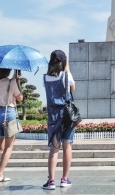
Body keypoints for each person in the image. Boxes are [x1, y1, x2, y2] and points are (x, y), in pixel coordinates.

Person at [42, 50, 76, 190]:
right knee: (67, 146)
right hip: (67, 116)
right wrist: (67, 70)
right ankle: (64, 179)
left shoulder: (45, 78)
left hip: (53, 116)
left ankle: (51, 181)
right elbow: (73, 88)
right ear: (64, 62)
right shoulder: (66, 75)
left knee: (54, 149)